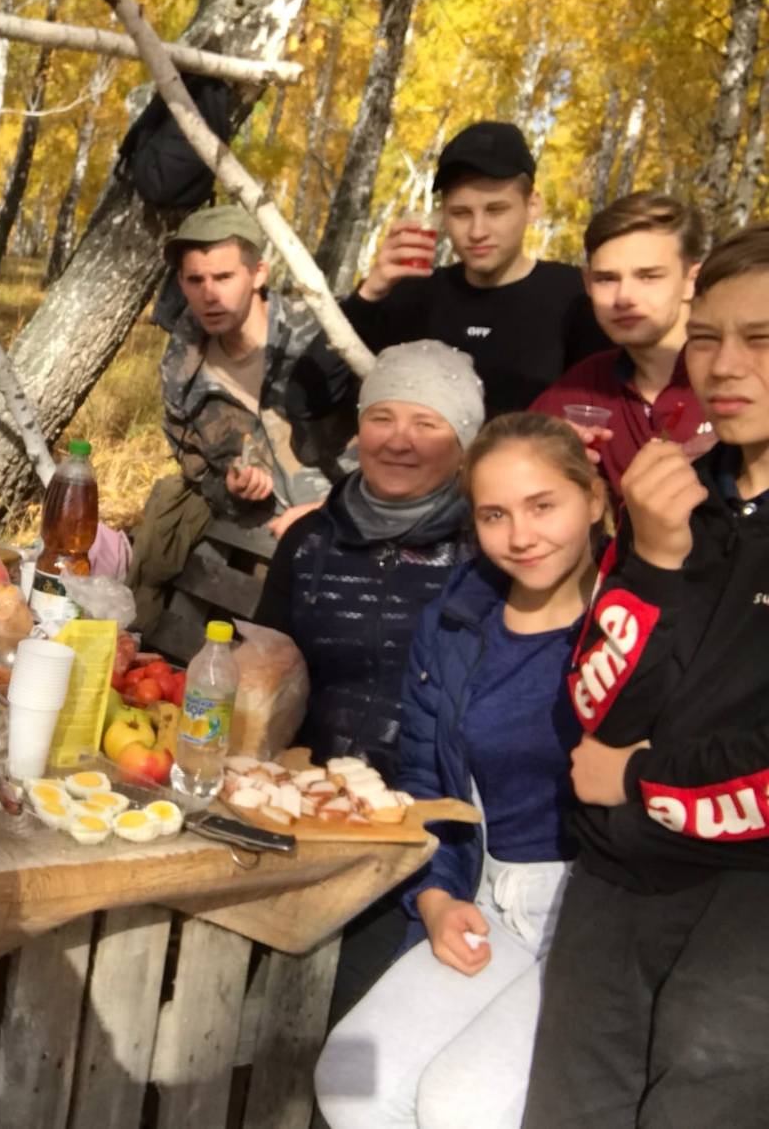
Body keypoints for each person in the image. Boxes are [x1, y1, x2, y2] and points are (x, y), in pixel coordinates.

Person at [523, 224, 769, 1125]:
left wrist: (640, 778)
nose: (725, 365)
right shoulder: (674, 498)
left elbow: (621, 758)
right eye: (705, 337)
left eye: (761, 339)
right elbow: (599, 702)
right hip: (615, 879)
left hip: (746, 902)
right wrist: (657, 562)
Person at [315, 412, 607, 1129]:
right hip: (489, 891)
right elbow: (428, 778)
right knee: (352, 1077)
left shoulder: (631, 620)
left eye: (543, 505)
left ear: (595, 498)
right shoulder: (457, 617)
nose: (521, 535)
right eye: (494, 514)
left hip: (595, 914)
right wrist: (438, 897)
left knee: (461, 1106)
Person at [254, 341, 481, 1024]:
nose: (398, 441)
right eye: (382, 417)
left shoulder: (485, 551)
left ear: (464, 443)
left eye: (427, 423)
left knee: (349, 1013)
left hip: (423, 831)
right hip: (304, 809)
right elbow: (264, 667)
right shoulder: (310, 541)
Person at [128, 204, 356, 634]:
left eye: (224, 277)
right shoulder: (183, 367)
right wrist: (233, 488)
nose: (209, 295)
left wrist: (327, 511)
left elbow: (402, 448)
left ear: (258, 274)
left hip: (350, 542)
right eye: (195, 280)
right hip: (257, 548)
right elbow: (197, 468)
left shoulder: (322, 338)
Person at [337, 121, 605, 415]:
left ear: (532, 206)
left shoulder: (575, 298)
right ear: (443, 216)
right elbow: (313, 400)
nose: (477, 231)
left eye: (496, 210)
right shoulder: (414, 295)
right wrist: (368, 295)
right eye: (461, 213)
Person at [531, 191, 714, 498]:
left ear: (691, 281)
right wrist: (544, 459)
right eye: (607, 279)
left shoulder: (739, 375)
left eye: (648, 276)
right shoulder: (582, 388)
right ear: (587, 284)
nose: (624, 297)